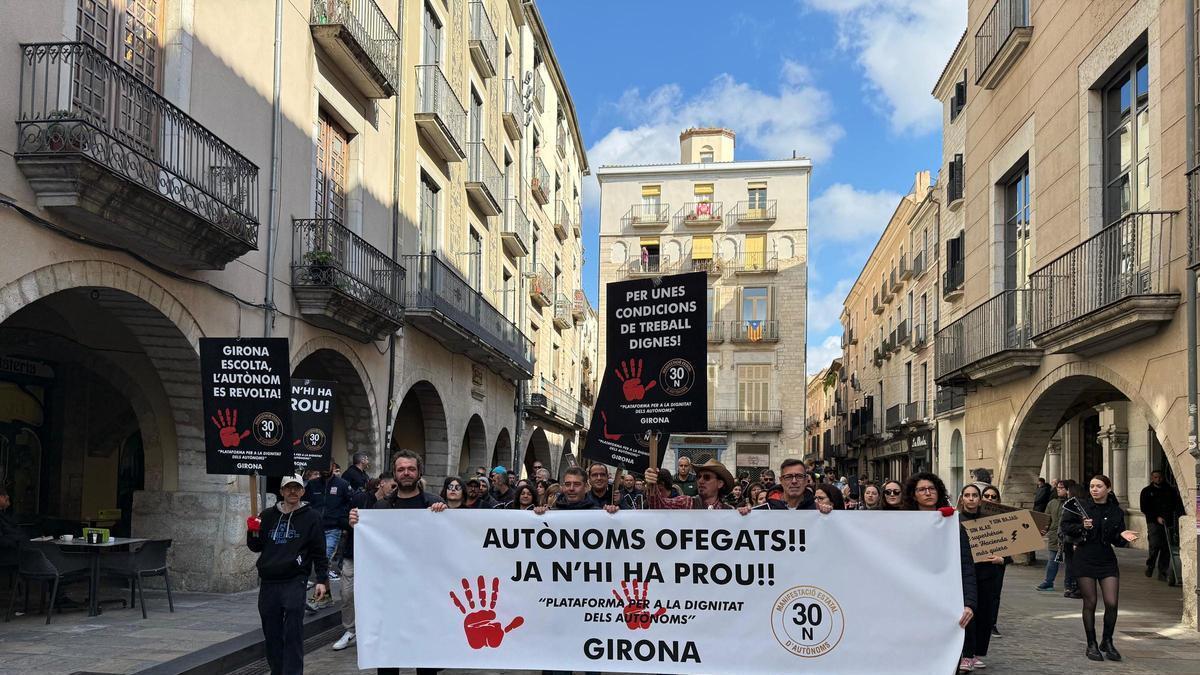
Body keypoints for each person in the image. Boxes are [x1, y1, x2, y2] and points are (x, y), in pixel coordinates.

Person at [348, 450, 446, 675]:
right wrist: (357, 525)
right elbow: (370, 548)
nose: (406, 473)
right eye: (401, 469)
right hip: (391, 593)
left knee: (426, 656)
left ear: (419, 472)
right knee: (389, 654)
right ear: (394, 474)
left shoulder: (434, 503)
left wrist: (446, 515)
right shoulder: (381, 507)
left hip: (426, 593)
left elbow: (446, 544)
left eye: (411, 469)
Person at [247, 475, 329, 675]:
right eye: (288, 488)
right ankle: (277, 671)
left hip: (294, 579)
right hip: (269, 581)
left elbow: (319, 550)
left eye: (297, 488)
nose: (293, 492)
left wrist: (321, 579)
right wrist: (253, 531)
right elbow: (255, 546)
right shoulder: (267, 515)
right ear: (282, 491)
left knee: (292, 632)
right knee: (272, 633)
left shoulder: (312, 517)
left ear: (302, 491)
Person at [900, 471, 977, 673]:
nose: (927, 493)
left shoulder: (953, 525)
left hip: (945, 601)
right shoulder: (901, 525)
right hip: (912, 603)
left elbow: (966, 566)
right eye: (922, 489)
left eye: (931, 488)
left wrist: (969, 603)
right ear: (913, 494)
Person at [1061, 474, 1139, 661]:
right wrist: (1081, 525)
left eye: (1099, 486)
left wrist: (1125, 537)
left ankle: (1107, 641)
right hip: (1084, 558)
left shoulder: (1116, 511)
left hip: (1106, 560)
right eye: (1092, 486)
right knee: (1090, 602)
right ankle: (1091, 644)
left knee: (1112, 603)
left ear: (1108, 489)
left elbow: (1116, 540)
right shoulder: (1080, 507)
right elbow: (1065, 527)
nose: (1094, 489)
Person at [957, 484, 1006, 671]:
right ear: (962, 498)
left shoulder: (992, 520)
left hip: (988, 574)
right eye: (967, 495)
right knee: (968, 614)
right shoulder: (954, 520)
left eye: (974, 495)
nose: (971, 498)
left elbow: (1012, 545)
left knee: (985, 615)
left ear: (980, 498)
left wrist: (1002, 558)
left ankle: (977, 653)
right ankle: (966, 654)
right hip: (964, 575)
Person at [304, 464, 353, 587]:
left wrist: (342, 520)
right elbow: (305, 502)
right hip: (314, 528)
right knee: (315, 559)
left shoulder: (343, 484)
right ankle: (325, 594)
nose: (325, 468)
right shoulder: (312, 484)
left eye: (328, 465)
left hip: (333, 528)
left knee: (324, 559)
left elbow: (350, 503)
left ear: (332, 466)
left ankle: (321, 592)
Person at [1139, 470, 1184, 584]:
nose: (1157, 479)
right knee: (1154, 544)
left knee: (1166, 546)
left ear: (1163, 477)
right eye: (1155, 477)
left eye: (1159, 477)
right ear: (1152, 478)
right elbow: (1145, 508)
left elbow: (1176, 505)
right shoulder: (1146, 491)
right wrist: (1156, 517)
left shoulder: (1169, 491)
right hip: (1153, 522)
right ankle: (1150, 565)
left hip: (1167, 522)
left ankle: (1162, 571)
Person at [644, 460, 739, 510]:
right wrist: (651, 484)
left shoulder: (729, 511)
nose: (700, 481)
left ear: (720, 483)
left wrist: (745, 516)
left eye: (706, 477)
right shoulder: (687, 502)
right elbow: (659, 505)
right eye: (699, 477)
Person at [1036, 480, 1075, 594]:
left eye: (1062, 488)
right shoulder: (1052, 503)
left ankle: (1069, 584)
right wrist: (1043, 530)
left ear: (1068, 490)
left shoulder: (1073, 503)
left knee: (1069, 562)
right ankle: (1048, 582)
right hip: (1054, 536)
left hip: (1068, 536)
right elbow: (1047, 518)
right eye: (1058, 487)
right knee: (1052, 560)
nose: (1059, 489)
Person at [533, 467, 619, 513]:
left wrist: (612, 515)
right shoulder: (550, 512)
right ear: (563, 487)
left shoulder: (598, 513)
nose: (571, 488)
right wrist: (538, 516)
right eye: (567, 484)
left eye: (577, 484)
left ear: (586, 487)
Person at [1061, 480, 1084, 599]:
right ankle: (1076, 587)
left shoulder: (1072, 506)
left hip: (1072, 539)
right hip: (1078, 539)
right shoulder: (1085, 504)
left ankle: (1072, 587)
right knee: (1077, 564)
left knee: (1070, 564)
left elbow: (1065, 525)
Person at [0, 486, 23, 571]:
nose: (8, 497)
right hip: (6, 554)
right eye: (5, 495)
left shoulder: (4, 514)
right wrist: (18, 541)